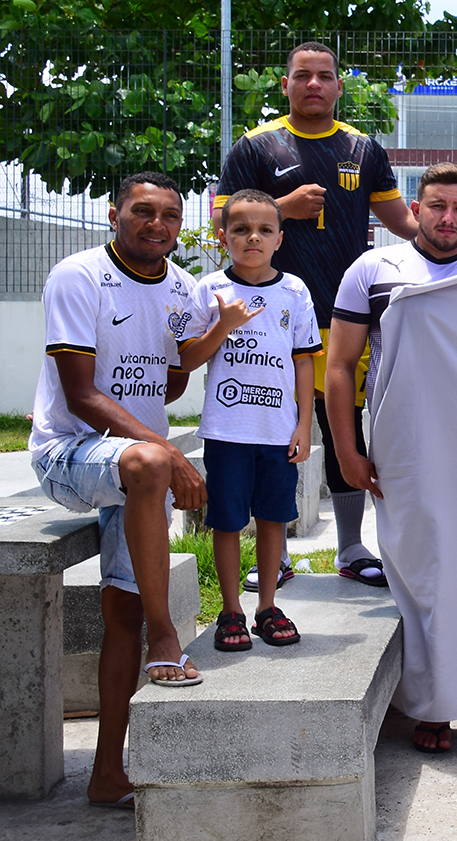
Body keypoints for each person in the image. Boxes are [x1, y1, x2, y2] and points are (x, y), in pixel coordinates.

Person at [29, 171, 206, 808]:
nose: (155, 224)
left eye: (168, 215)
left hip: (134, 469)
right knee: (153, 465)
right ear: (114, 214)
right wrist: (164, 452)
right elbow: (80, 394)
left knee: (118, 615)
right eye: (142, 211)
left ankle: (108, 774)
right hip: (70, 454)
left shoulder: (182, 286)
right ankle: (169, 633)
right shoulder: (78, 276)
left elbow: (170, 381)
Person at [215, 41, 418, 591]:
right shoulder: (257, 146)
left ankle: (350, 548)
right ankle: (273, 555)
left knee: (342, 430)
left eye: (324, 76)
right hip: (268, 316)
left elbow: (400, 219)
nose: (313, 85)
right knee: (273, 433)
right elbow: (220, 216)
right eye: (302, 76)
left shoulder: (362, 147)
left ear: (338, 86)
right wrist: (282, 209)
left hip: (347, 318)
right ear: (285, 85)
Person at [323, 162, 457, 752]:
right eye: (437, 206)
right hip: (404, 443)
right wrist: (347, 448)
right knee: (419, 572)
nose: (448, 219)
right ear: (414, 209)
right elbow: (339, 366)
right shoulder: (373, 268)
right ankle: (432, 700)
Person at [176, 189, 321, 652]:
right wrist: (223, 325)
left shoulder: (294, 290)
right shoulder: (210, 290)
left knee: (273, 517)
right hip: (227, 430)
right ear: (223, 238)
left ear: (280, 238)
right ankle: (231, 609)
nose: (252, 238)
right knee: (227, 520)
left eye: (264, 230)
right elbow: (188, 358)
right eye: (241, 229)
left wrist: (303, 424)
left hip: (277, 431)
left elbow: (303, 362)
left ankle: (267, 607)